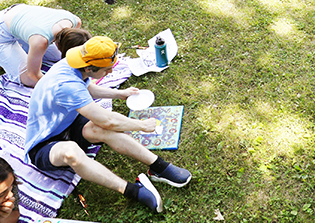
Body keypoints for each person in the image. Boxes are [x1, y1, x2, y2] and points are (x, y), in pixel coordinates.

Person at [24, 36, 192, 213]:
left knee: (99, 128)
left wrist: (120, 94)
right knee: (72, 151)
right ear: (89, 67)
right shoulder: (65, 85)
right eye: (106, 71)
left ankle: (158, 166)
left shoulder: (75, 64)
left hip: (68, 125)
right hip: (44, 146)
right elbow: (108, 120)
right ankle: (133, 191)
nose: (110, 73)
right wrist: (141, 125)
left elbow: (86, 88)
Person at [0, 4, 91, 87]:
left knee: (56, 57)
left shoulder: (76, 22)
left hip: (23, 21)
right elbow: (33, 75)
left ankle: (22, 47)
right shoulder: (40, 41)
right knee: (28, 80)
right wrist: (62, 86)